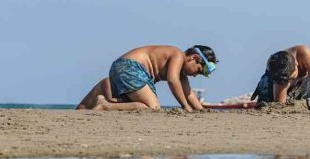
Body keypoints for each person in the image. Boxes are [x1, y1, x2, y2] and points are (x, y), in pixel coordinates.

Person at [76, 44, 218, 111]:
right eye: (198, 70)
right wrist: (185, 107)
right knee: (153, 107)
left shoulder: (182, 70)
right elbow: (172, 80)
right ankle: (105, 105)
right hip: (133, 68)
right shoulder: (177, 55)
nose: (194, 75)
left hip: (121, 66)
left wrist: (200, 110)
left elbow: (189, 94)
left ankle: (94, 98)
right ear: (194, 57)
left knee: (126, 102)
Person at [250, 45, 310, 113]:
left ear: (296, 64)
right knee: (271, 105)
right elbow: (280, 105)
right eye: (288, 79)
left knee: (303, 100)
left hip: (301, 81)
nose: (291, 79)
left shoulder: (304, 53)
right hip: (271, 82)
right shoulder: (280, 78)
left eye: (291, 77)